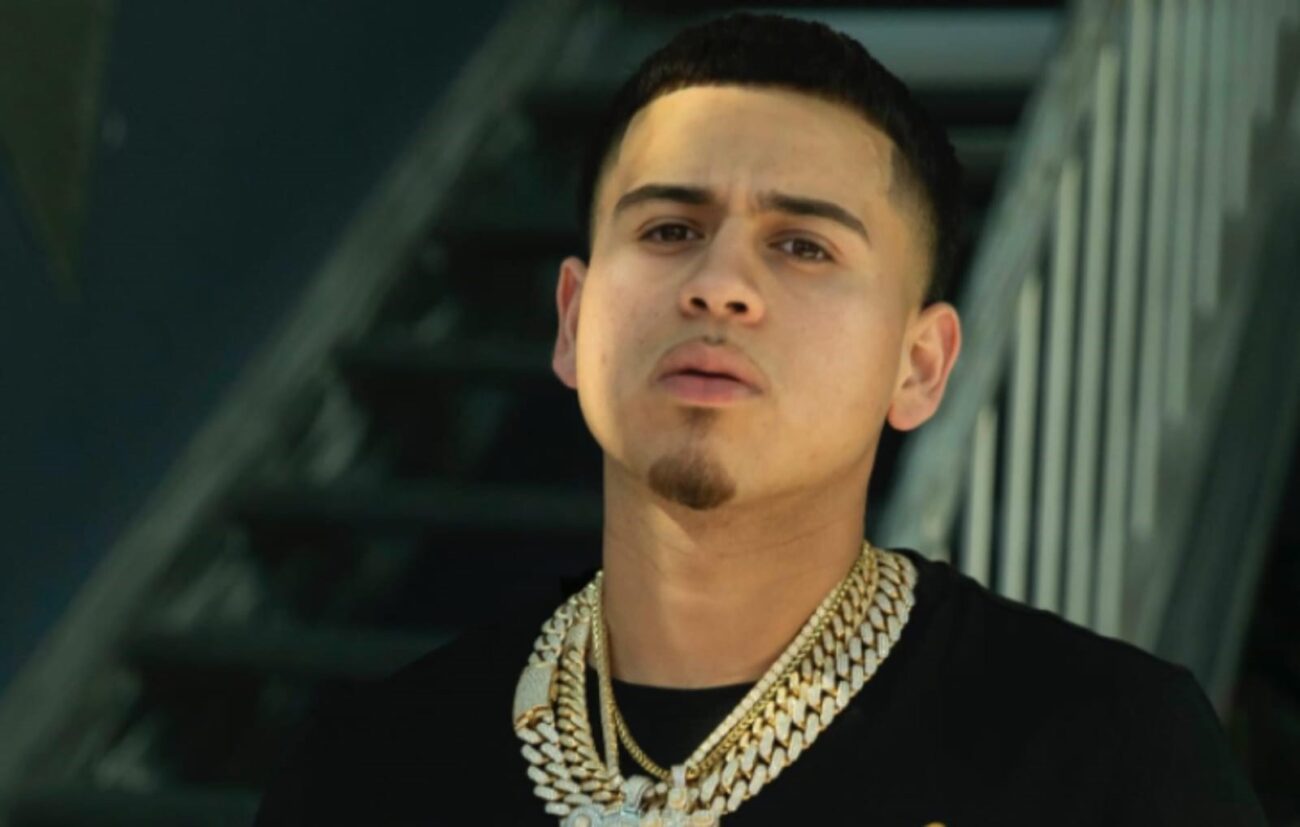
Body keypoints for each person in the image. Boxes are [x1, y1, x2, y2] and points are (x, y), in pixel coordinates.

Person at [255, 13, 1267, 826]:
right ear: (572, 321)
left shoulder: (1102, 754)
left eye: (803, 246)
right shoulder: (368, 771)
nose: (719, 284)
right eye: (669, 229)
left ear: (918, 365)